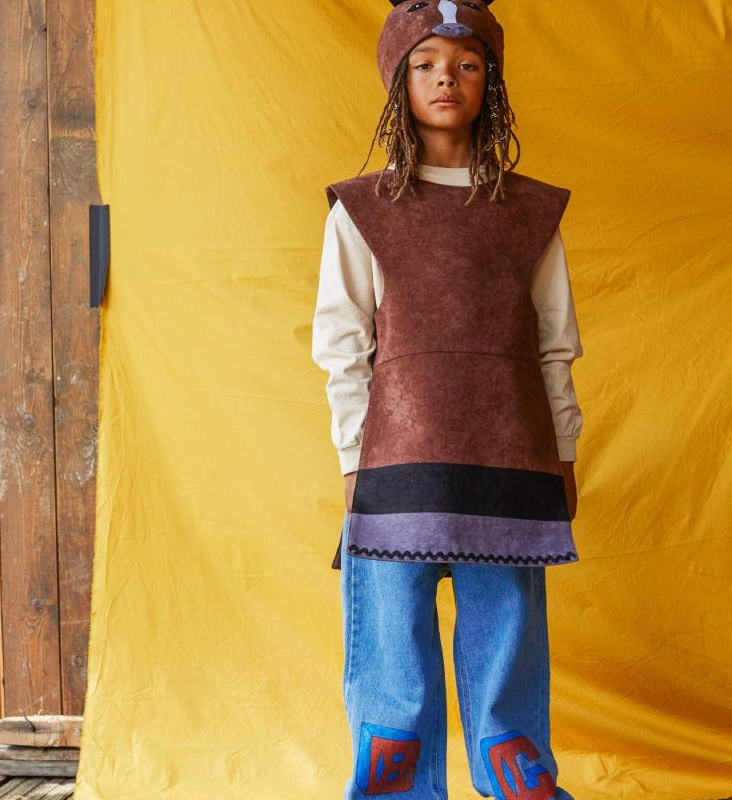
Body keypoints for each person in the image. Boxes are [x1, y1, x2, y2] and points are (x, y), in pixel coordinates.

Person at [311, 1, 585, 798]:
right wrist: (352, 460)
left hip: (510, 472)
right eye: (426, 63)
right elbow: (342, 347)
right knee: (392, 670)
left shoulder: (528, 212)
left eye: (465, 64)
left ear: (489, 83)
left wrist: (564, 452)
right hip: (396, 473)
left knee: (509, 667)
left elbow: (554, 345)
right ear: (400, 82)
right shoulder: (362, 210)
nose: (446, 80)